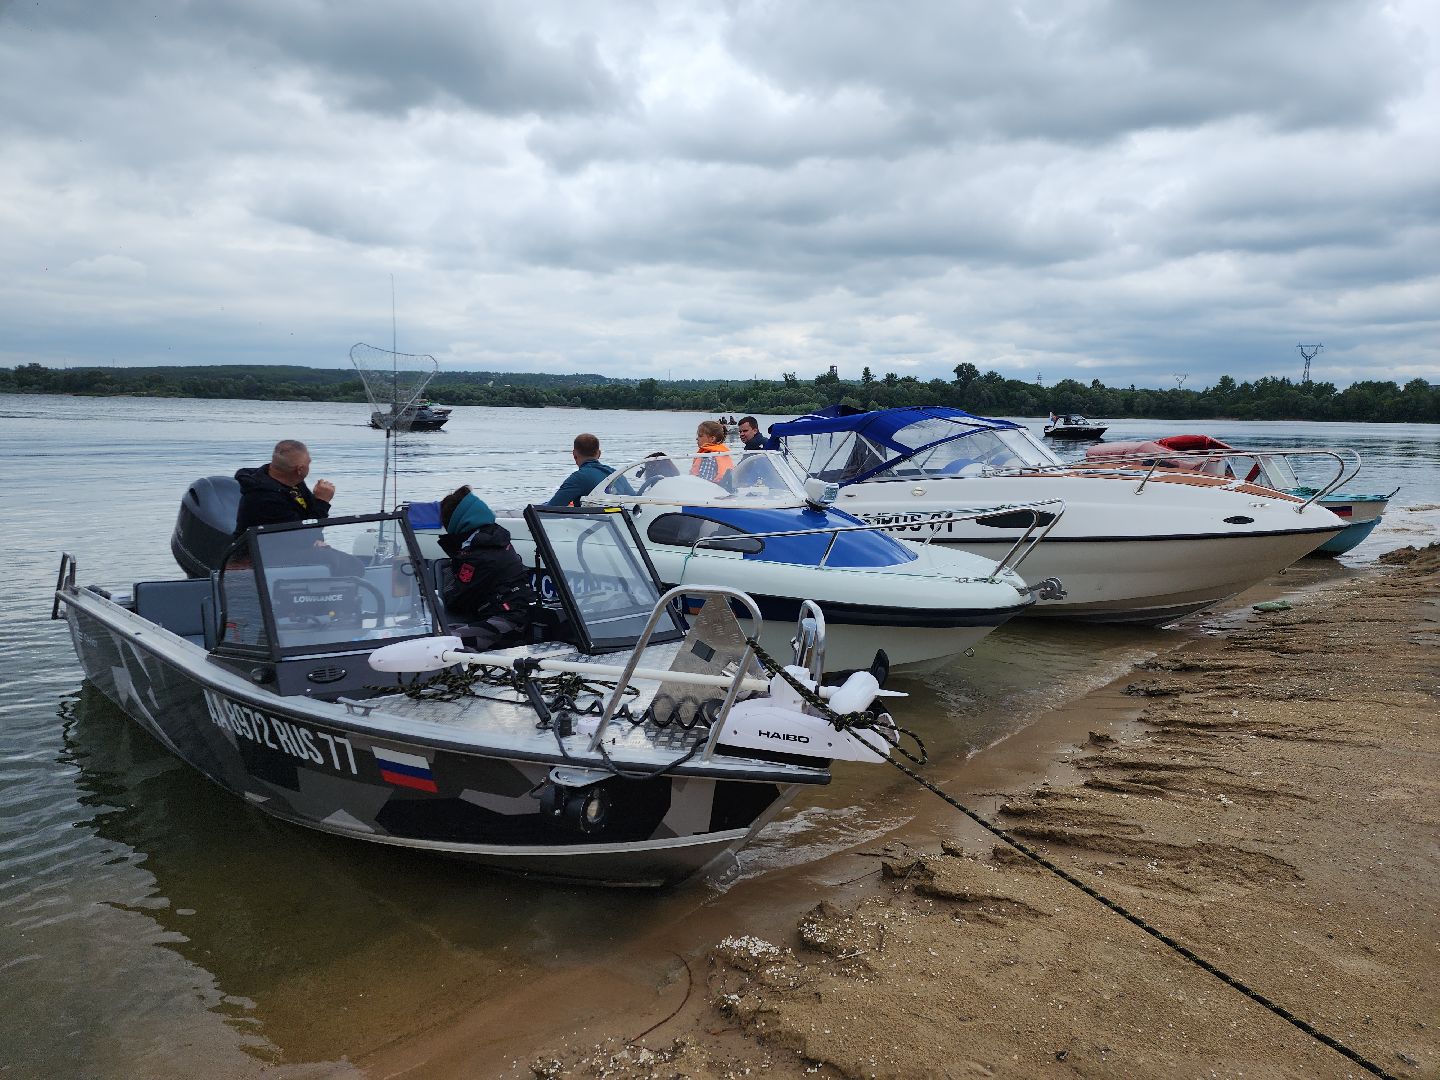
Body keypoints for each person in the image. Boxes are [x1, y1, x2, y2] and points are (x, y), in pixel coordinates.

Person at [436, 485, 535, 648]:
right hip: (513, 615)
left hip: (507, 624)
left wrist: (452, 564)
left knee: (441, 640)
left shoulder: (479, 554)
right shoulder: (493, 538)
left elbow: (455, 599)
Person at [234, 439, 335, 536]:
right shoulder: (265, 498)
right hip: (262, 550)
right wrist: (322, 501)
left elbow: (308, 518)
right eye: (309, 463)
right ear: (300, 469)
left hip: (293, 544)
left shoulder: (293, 481)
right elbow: (304, 535)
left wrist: (317, 498)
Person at [546, 433, 615, 507]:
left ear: (574, 454)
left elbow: (551, 507)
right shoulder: (616, 474)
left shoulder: (579, 478)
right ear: (599, 453)